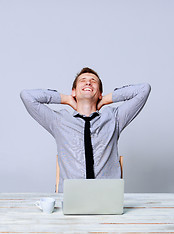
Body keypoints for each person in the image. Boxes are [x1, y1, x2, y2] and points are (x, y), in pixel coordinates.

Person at [20, 67, 151, 192]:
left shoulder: (114, 118)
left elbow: (144, 89)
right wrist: (66, 99)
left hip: (106, 197)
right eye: (82, 80)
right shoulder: (59, 121)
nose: (88, 82)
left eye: (93, 81)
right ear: (74, 91)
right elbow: (27, 96)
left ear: (99, 93)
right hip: (71, 197)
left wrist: (105, 99)